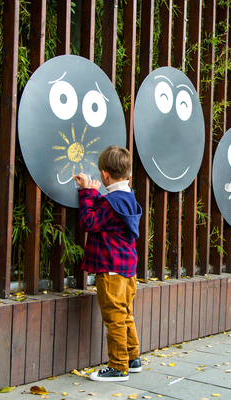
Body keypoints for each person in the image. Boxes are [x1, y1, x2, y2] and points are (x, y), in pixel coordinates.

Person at [73, 145, 143, 382]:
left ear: (104, 175)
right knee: (125, 314)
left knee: (114, 317)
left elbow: (89, 222)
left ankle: (118, 367)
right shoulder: (128, 196)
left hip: (111, 270)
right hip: (128, 269)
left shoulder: (110, 202)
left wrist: (87, 193)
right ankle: (133, 358)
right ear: (129, 174)